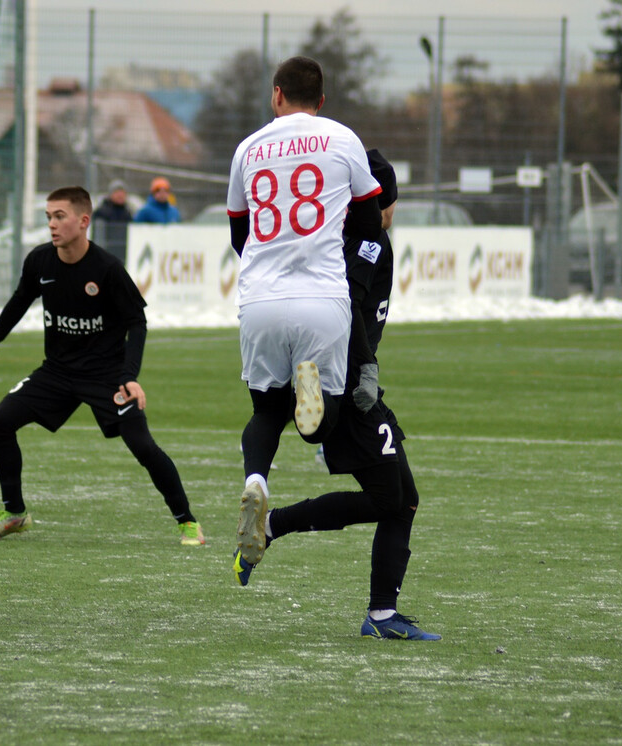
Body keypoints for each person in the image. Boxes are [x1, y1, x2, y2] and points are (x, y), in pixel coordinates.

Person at [231, 150, 440, 642]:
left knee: (398, 499)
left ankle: (276, 527)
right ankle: (379, 614)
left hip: (315, 357)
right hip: (345, 377)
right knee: (396, 500)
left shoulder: (325, 236)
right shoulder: (370, 241)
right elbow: (349, 302)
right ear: (381, 199)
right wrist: (365, 371)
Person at [0, 185, 205, 546]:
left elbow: (137, 323)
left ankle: (187, 522)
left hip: (106, 376)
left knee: (142, 446)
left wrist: (129, 377)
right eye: (48, 217)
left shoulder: (107, 268)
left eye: (59, 216)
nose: (51, 224)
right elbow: (19, 302)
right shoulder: (39, 262)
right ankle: (14, 512)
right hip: (57, 372)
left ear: (83, 221)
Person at [225, 55, 382, 575]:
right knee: (320, 424)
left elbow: (238, 233)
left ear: (276, 95)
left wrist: (266, 263)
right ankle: (311, 406)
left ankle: (256, 480)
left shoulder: (249, 148)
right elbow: (368, 221)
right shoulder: (342, 138)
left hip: (262, 300)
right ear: (322, 99)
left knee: (265, 410)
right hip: (323, 297)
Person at [92, 179, 134, 261]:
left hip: (123, 254)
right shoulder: (102, 212)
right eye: (117, 192)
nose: (120, 195)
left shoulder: (128, 213)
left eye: (122, 192)